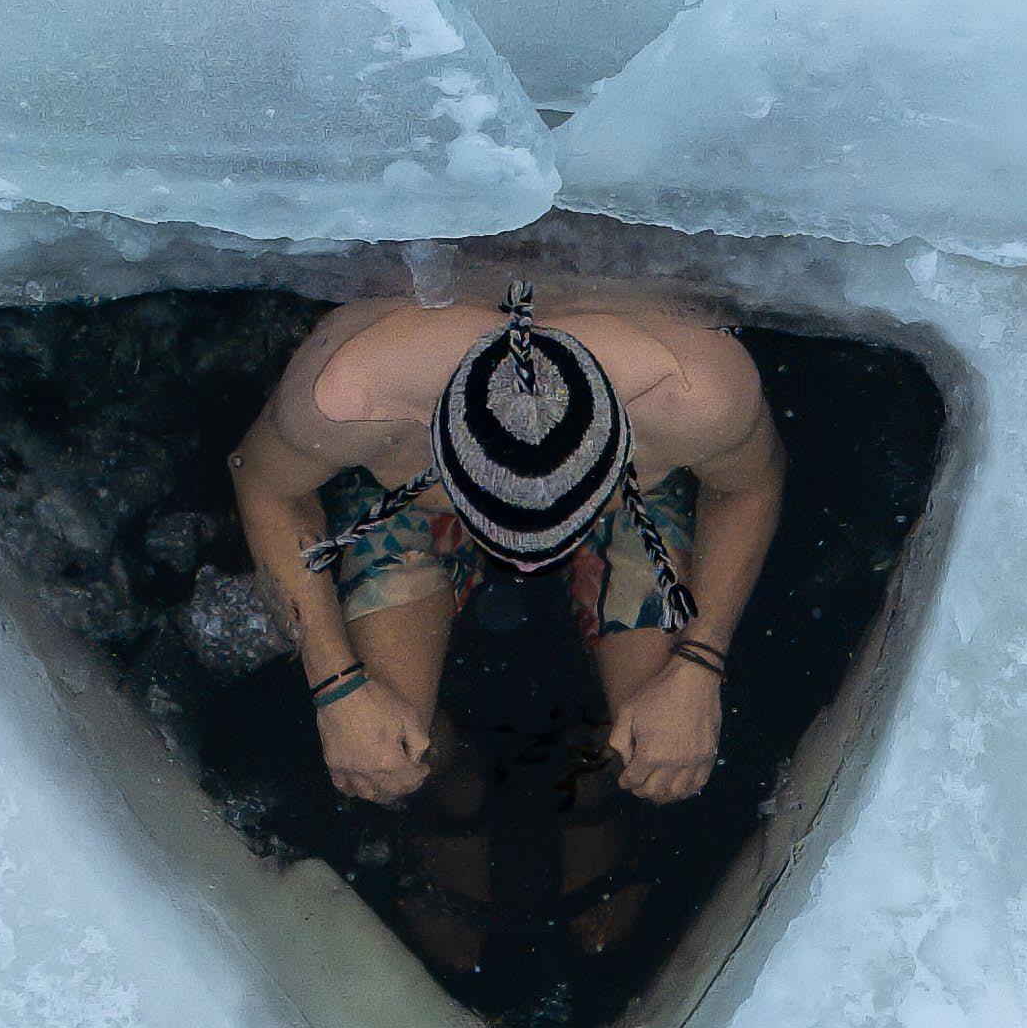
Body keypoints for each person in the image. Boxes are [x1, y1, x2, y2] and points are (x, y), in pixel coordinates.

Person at [229, 280, 784, 971]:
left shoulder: (696, 392)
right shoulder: (354, 392)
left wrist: (700, 663)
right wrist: (336, 687)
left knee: (657, 729)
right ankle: (448, 783)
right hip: (413, 494)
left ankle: (596, 774)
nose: (525, 566)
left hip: (627, 495)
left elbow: (750, 483)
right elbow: (264, 480)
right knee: (392, 741)